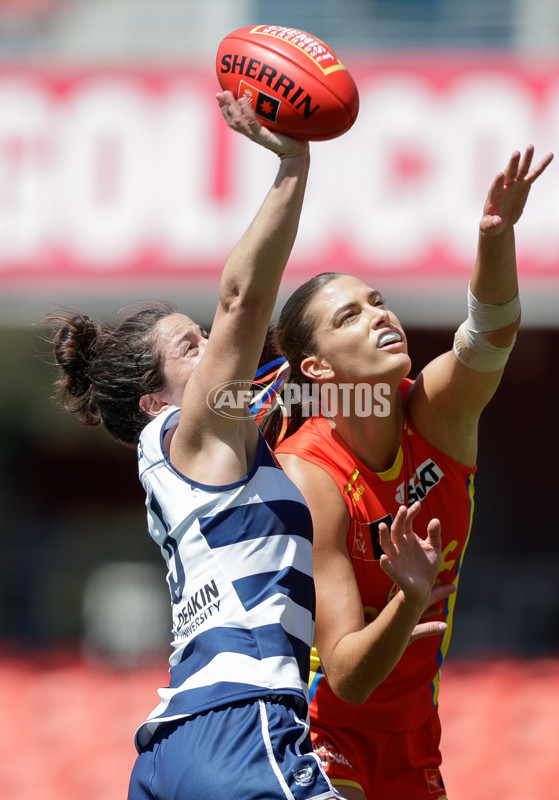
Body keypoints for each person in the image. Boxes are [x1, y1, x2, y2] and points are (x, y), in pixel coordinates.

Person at [45, 91, 353, 800]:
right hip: (241, 728)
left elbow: (274, 383)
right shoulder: (198, 429)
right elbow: (244, 299)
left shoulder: (200, 446)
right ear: (155, 401)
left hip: (173, 748)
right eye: (192, 345)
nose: (214, 347)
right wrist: (293, 164)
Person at [261, 146, 554, 800]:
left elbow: (488, 334)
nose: (379, 317)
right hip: (324, 728)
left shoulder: (437, 411)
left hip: (416, 729)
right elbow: (347, 676)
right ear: (316, 371)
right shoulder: (309, 473)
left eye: (377, 302)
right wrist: (407, 598)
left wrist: (496, 239)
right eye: (350, 316)